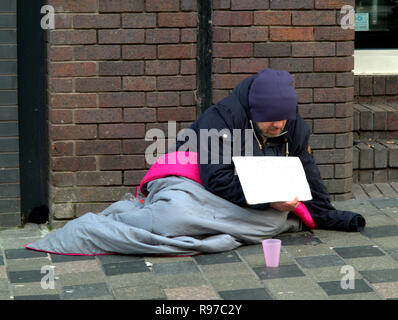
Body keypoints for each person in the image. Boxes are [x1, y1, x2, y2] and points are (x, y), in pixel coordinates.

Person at [25, 68, 365, 256]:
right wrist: (269, 200)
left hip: (244, 193)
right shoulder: (221, 119)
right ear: (252, 112)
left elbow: (307, 172)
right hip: (191, 180)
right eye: (270, 121)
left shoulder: (293, 125)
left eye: (284, 120)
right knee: (176, 216)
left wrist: (331, 216)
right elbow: (217, 178)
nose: (278, 127)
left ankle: (214, 224)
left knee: (273, 223)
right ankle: (109, 225)